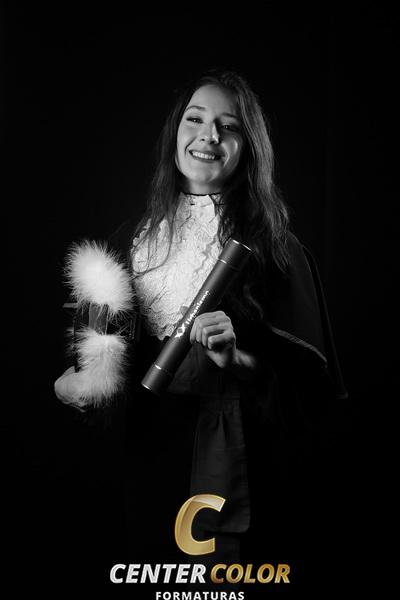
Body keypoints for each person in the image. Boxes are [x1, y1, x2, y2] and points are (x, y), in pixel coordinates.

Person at [54, 69, 347, 584]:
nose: (208, 135)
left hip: (242, 459)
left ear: (248, 148)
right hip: (152, 459)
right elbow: (96, 362)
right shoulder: (132, 239)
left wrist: (237, 360)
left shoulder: (277, 251)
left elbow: (308, 393)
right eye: (195, 119)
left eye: (228, 126)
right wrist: (74, 385)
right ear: (176, 132)